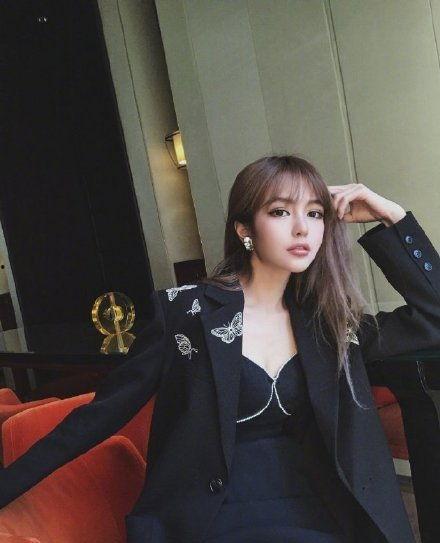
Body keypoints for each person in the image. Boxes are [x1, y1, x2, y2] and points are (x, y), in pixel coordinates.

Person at [1, 154, 439, 543]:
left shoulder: (332, 323)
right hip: (217, 519)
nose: (302, 228)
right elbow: (99, 416)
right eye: (280, 211)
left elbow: (433, 317)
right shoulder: (186, 314)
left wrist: (393, 217)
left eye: (315, 213)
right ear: (244, 229)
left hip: (322, 514)